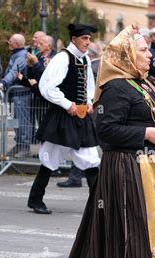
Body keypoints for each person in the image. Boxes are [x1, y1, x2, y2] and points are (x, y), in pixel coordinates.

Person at [58, 25, 155, 258]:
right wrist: (145, 133)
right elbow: (106, 129)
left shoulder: (142, 83)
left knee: (105, 230)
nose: (150, 55)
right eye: (143, 50)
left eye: (149, 49)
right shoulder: (116, 87)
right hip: (125, 168)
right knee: (137, 232)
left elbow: (144, 117)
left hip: (148, 166)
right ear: (125, 55)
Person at [26, 24, 100, 214]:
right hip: (62, 117)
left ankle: (100, 203)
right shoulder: (62, 58)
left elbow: (89, 84)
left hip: (81, 116)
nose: (87, 42)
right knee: (50, 158)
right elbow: (47, 87)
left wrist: (89, 101)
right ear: (74, 38)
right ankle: (35, 200)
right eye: (84, 38)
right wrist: (68, 104)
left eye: (89, 39)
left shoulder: (84, 59)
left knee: (91, 158)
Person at [57, 41, 103, 188]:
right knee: (84, 148)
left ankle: (80, 180)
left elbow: (89, 89)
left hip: (88, 112)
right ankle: (77, 178)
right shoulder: (90, 64)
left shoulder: (94, 66)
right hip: (79, 112)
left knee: (87, 148)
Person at [0, 34, 30, 158]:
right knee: (17, 121)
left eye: (11, 41)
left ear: (17, 44)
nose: (8, 42)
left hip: (20, 95)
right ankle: (19, 145)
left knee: (22, 121)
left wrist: (2, 83)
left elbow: (14, 72)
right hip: (15, 94)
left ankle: (24, 147)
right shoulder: (17, 55)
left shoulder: (21, 56)